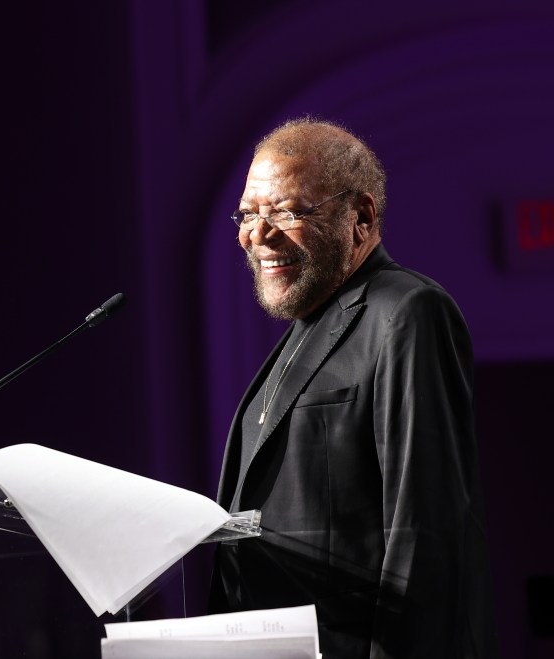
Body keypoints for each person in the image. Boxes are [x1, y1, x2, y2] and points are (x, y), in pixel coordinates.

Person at [208, 118, 497, 658]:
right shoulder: (307, 330)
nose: (258, 234)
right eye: (249, 214)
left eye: (287, 211)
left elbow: (424, 529)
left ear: (360, 217)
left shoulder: (406, 313)